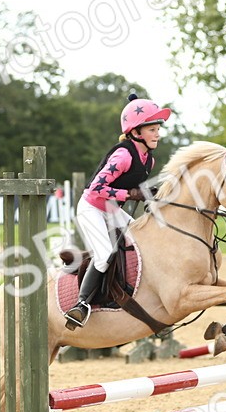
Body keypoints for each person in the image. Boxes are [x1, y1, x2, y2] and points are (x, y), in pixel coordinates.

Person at [63, 93, 170, 329]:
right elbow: (96, 188)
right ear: (136, 132)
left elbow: (135, 188)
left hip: (111, 209)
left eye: (157, 129)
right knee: (104, 255)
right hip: (91, 207)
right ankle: (81, 305)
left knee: (142, 237)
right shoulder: (123, 155)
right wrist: (129, 195)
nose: (157, 134)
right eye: (152, 129)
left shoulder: (148, 160)